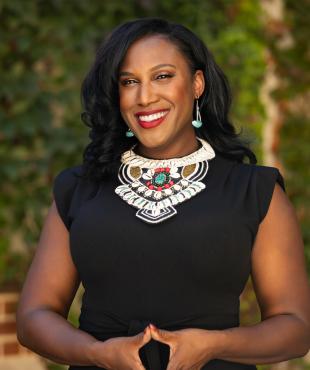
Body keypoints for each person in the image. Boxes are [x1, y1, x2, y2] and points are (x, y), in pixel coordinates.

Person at [16, 18, 310, 370]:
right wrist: (99, 353)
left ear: (197, 84)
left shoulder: (254, 191)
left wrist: (212, 344)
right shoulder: (79, 189)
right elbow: (33, 317)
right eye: (129, 81)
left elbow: (296, 328)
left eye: (163, 76)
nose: (145, 97)